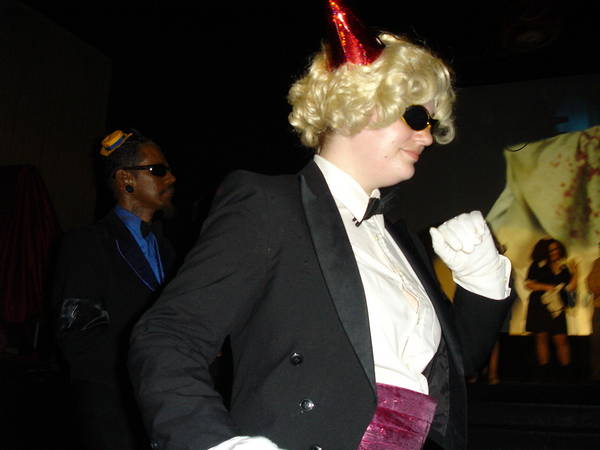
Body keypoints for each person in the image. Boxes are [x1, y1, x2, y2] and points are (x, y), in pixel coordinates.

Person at [128, 2, 512, 449]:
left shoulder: (398, 238)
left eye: (431, 122)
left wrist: (481, 279)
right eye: (416, 116)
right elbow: (168, 336)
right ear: (358, 104)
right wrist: (215, 443)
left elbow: (456, 370)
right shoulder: (269, 205)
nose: (427, 136)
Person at [53, 129, 177, 450]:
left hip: (161, 413)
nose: (171, 178)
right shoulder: (86, 245)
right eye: (158, 170)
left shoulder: (169, 251)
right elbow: (81, 342)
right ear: (126, 179)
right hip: (112, 416)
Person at [525, 238, 576, 380]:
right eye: (551, 250)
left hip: (557, 307)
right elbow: (528, 284)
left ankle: (567, 374)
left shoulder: (564, 267)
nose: (554, 252)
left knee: (561, 339)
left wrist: (575, 272)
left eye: (556, 249)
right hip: (539, 305)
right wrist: (547, 287)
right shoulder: (537, 265)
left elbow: (570, 288)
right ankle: (544, 373)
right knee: (541, 338)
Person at [586, 242, 600, 381]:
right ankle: (596, 374)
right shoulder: (597, 263)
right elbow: (591, 283)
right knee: (596, 342)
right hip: (598, 307)